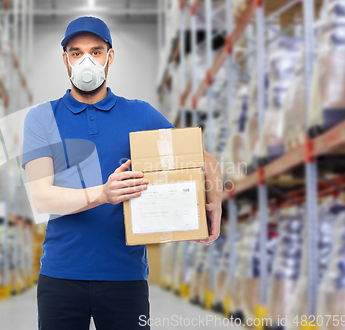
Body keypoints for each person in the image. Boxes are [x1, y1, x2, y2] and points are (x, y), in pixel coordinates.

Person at [21, 16, 223, 330]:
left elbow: (204, 160)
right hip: (61, 276)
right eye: (76, 53)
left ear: (110, 56)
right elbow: (41, 197)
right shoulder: (41, 118)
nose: (86, 60)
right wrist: (104, 194)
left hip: (125, 277)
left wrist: (214, 209)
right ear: (65, 60)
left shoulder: (140, 114)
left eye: (96, 51)